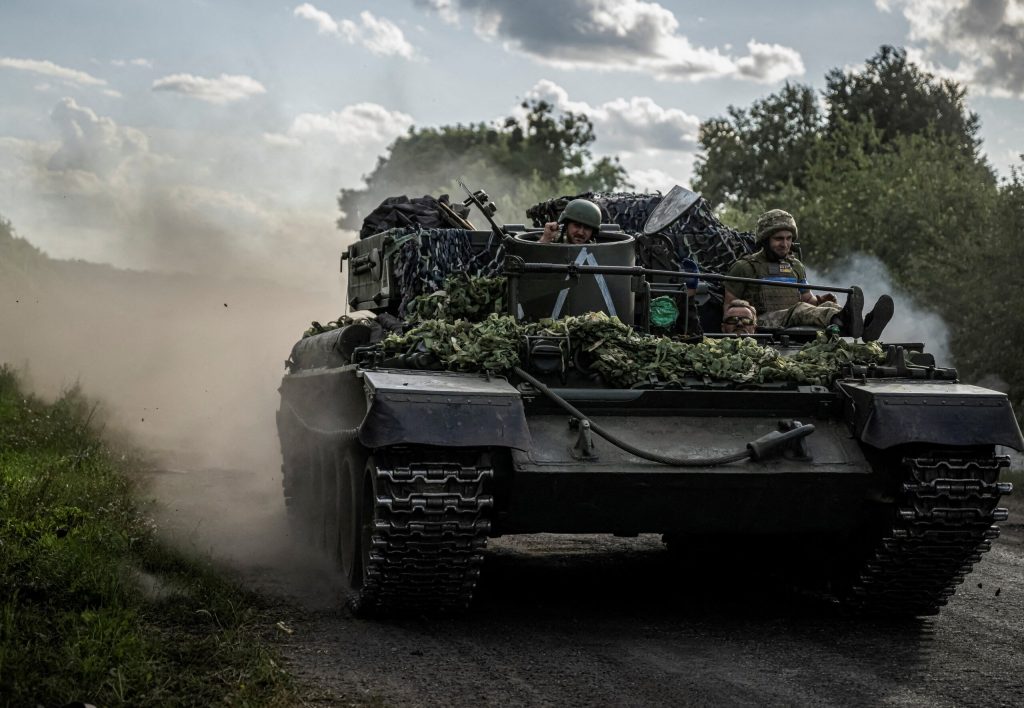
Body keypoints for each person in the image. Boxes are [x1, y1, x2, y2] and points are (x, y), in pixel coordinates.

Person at [724, 209, 894, 341]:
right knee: (800, 310)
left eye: (789, 238)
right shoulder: (744, 268)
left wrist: (821, 301)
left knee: (827, 306)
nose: (785, 244)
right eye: (779, 239)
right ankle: (844, 318)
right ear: (764, 239)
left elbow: (808, 300)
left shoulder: (795, 266)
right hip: (760, 322)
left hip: (791, 318)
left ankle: (865, 326)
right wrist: (743, 325)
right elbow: (729, 310)